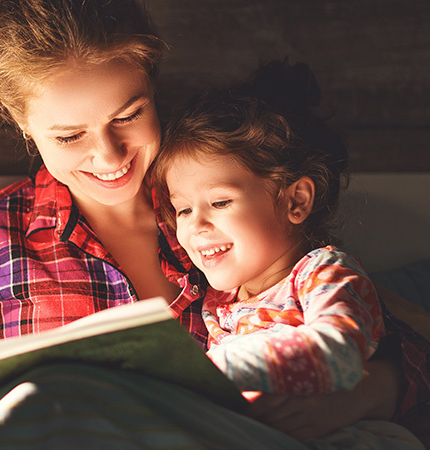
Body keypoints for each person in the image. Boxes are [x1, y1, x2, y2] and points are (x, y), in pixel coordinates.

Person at [0, 1, 430, 449]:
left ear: (155, 88)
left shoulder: (218, 205)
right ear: (23, 125)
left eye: (130, 114)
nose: (110, 154)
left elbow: (379, 334)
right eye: (70, 135)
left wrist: (361, 396)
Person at [149, 60, 424, 447]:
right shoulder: (217, 302)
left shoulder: (324, 273)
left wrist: (216, 371)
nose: (196, 225)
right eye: (183, 209)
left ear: (296, 200)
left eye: (221, 202)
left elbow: (339, 352)